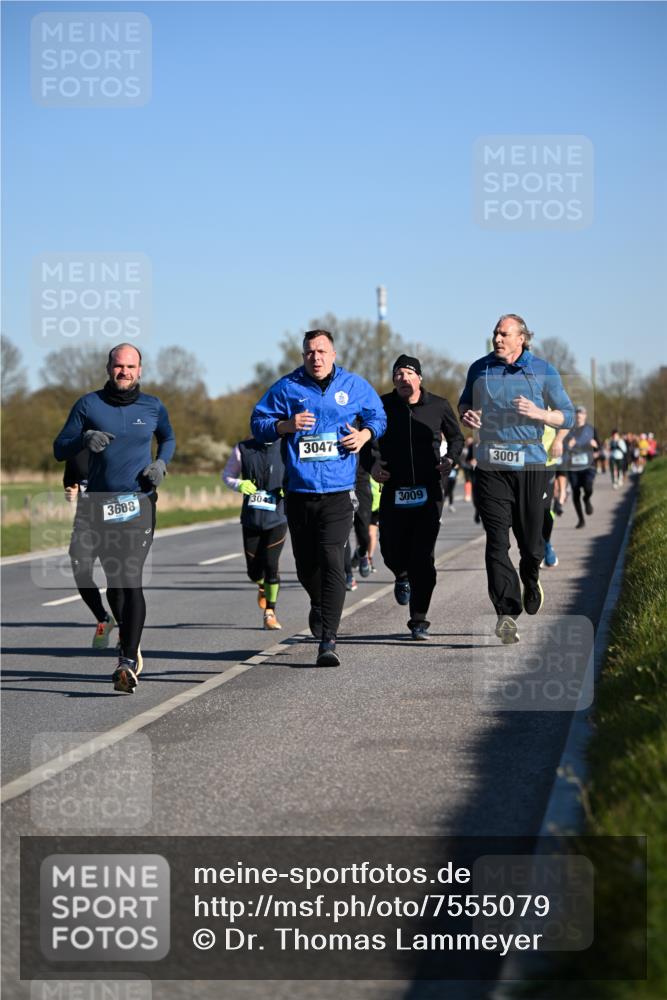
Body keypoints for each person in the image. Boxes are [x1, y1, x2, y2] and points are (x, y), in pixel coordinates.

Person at [250, 329, 386, 666]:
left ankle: (329, 640)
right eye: (310, 352)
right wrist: (285, 426)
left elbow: (379, 415)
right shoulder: (288, 387)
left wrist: (365, 435)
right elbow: (258, 422)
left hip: (339, 491)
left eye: (322, 351)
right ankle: (317, 604)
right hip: (299, 491)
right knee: (306, 566)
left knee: (331, 559)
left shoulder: (353, 385)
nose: (316, 357)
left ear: (334, 354)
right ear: (303, 356)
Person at [54, 343, 175, 693]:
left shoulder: (153, 406)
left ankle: (124, 661)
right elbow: (58, 447)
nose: (125, 371)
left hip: (139, 503)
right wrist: (83, 437)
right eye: (119, 366)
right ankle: (129, 639)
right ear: (109, 368)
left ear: (140, 369)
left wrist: (161, 463)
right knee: (115, 585)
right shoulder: (88, 405)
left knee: (130, 577)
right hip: (99, 505)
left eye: (131, 366)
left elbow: (167, 437)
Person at [458, 314, 574, 644]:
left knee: (532, 544)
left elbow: (566, 414)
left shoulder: (543, 370)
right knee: (496, 541)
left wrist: (539, 414)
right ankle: (506, 614)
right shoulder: (480, 368)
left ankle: (532, 574)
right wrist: (467, 413)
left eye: (503, 334)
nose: (497, 339)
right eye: (495, 333)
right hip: (492, 464)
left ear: (521, 338)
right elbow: (465, 402)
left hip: (532, 465)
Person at [372, 355, 463, 640]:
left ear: (420, 378)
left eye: (409, 373)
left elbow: (458, 438)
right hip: (394, 488)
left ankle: (419, 618)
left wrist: (451, 458)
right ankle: (400, 575)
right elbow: (367, 439)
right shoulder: (381, 406)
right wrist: (372, 464)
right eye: (398, 373)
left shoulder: (438, 406)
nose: (403, 378)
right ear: (393, 380)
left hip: (429, 490)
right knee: (389, 548)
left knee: (423, 557)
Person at [222, 437, 287, 629]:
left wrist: (289, 486)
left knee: (271, 563)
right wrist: (239, 484)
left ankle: (270, 613)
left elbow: (300, 470)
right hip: (252, 518)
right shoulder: (243, 448)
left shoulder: (287, 444)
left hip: (278, 517)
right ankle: (261, 585)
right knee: (253, 571)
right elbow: (227, 476)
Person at [64, 448, 123, 649]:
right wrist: (70, 491)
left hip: (114, 521)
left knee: (116, 578)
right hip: (85, 521)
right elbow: (71, 480)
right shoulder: (76, 450)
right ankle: (104, 618)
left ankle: (125, 629)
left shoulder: (118, 445)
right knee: (80, 569)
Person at [564, 406, 599, 529]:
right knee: (576, 492)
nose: (579, 415)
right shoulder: (568, 431)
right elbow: (563, 448)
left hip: (588, 465)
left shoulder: (591, 429)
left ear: (585, 415)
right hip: (573, 466)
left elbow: (598, 447)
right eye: (577, 413)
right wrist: (568, 445)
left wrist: (595, 446)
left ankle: (587, 499)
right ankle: (581, 519)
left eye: (581, 413)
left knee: (588, 487)